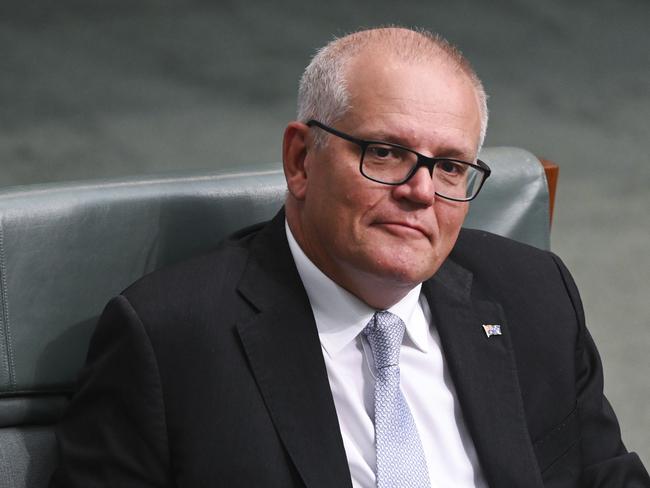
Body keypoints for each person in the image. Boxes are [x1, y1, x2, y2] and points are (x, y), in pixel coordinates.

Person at [50, 27, 649, 487]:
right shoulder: (169, 340)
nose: (420, 190)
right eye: (386, 152)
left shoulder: (534, 295)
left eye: (449, 166)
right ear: (301, 160)